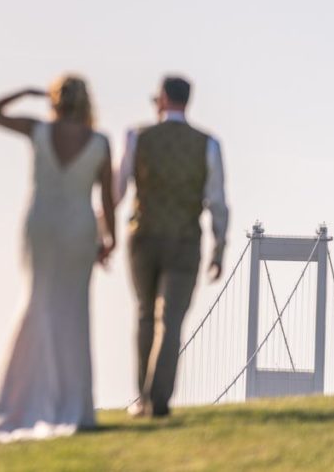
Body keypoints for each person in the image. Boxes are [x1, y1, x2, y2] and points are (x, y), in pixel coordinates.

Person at [0, 75, 115, 447]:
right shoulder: (100, 142)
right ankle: (72, 405)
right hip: (78, 231)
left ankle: (25, 399)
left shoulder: (38, 129)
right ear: (87, 102)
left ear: (55, 99)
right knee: (73, 312)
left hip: (41, 227)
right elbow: (108, 198)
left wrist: (25, 92)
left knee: (38, 303)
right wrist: (109, 239)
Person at [116, 75, 229, 418]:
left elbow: (117, 188)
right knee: (171, 320)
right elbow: (218, 202)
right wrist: (220, 246)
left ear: (162, 98)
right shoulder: (208, 144)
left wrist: (103, 234)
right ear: (188, 100)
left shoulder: (137, 137)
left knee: (145, 314)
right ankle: (158, 399)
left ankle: (143, 399)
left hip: (143, 238)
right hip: (185, 242)